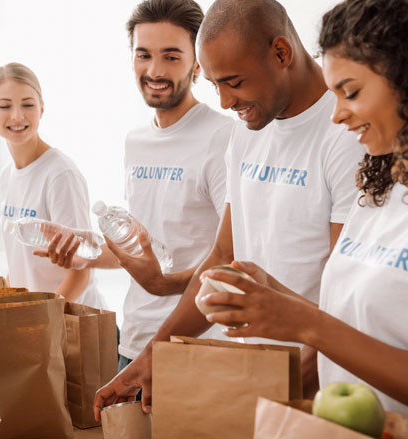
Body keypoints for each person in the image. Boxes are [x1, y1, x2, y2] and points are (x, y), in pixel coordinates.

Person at [199, 0, 408, 437]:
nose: (336, 114)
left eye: (350, 92)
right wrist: (273, 296)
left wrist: (306, 324)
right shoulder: (381, 186)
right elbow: (355, 322)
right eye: (334, 94)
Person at [93, 0, 365, 418]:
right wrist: (152, 356)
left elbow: (348, 297)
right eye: (216, 84)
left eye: (234, 82)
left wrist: (284, 397)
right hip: (252, 378)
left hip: (322, 395)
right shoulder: (246, 134)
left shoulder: (346, 133)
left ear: (281, 53)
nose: (223, 101)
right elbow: (223, 259)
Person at [37, 0, 234, 371]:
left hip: (200, 346)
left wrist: (162, 284)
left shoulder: (223, 139)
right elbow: (148, 250)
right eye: (143, 55)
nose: (154, 70)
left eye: (171, 57)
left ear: (198, 63)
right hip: (134, 341)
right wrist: (86, 254)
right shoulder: (135, 141)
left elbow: (232, 259)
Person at [0, 62, 106, 309]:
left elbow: (81, 271)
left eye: (28, 105)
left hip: (70, 322)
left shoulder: (60, 175)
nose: (17, 116)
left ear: (42, 109)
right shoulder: (6, 176)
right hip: (36, 322)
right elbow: (19, 264)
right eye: (5, 106)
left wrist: (43, 320)